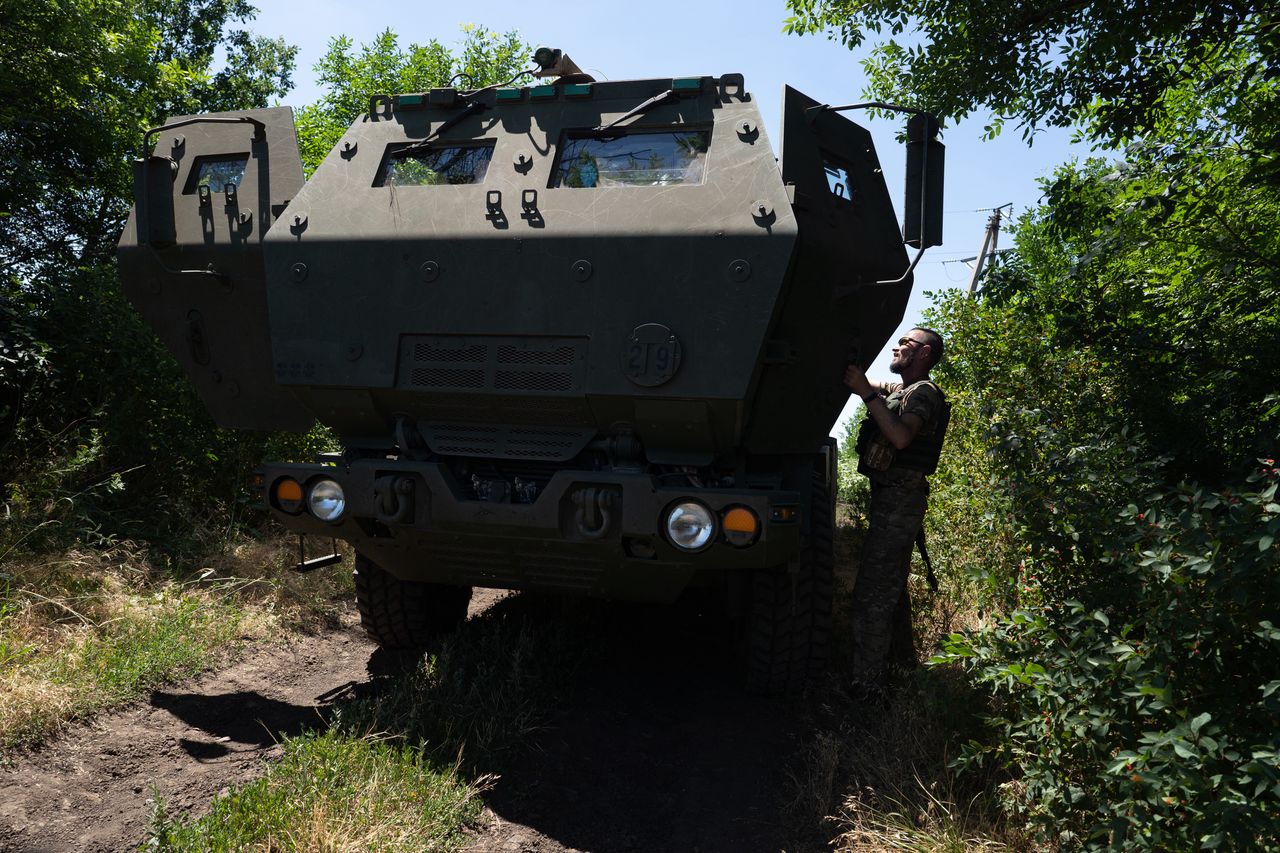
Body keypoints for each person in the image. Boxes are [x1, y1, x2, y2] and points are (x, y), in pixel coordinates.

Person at [842, 327, 950, 690]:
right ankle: (903, 671)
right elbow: (871, 385)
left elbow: (901, 437)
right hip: (892, 500)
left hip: (899, 503)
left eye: (906, 343)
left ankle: (866, 689)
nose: (897, 346)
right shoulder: (903, 389)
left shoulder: (924, 394)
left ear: (924, 354)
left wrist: (866, 394)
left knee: (872, 596)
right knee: (890, 590)